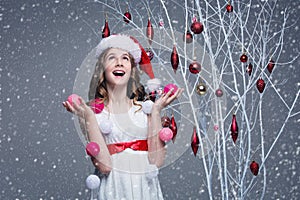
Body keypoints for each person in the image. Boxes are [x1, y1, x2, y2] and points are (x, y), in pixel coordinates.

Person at [63, 35, 183, 200]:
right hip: (112, 190)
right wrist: (89, 118)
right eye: (112, 58)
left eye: (125, 58)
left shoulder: (146, 110)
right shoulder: (94, 115)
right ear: (102, 70)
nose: (119, 62)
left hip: (145, 191)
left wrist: (156, 111)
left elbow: (156, 161)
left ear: (132, 70)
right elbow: (104, 166)